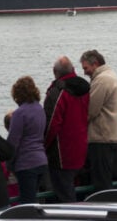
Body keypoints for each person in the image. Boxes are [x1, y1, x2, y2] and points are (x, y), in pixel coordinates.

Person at [43, 56, 90, 202]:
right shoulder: (85, 88)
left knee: (64, 194)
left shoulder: (58, 92)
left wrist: (43, 145)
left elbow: (52, 124)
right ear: (74, 69)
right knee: (75, 190)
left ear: (54, 72)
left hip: (61, 151)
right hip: (81, 145)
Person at [80, 49, 117, 193]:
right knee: (105, 178)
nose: (85, 72)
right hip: (111, 135)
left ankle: (105, 208)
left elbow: (91, 110)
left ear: (95, 64)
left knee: (101, 182)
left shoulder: (102, 80)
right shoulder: (110, 76)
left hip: (102, 137)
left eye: (86, 68)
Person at [7, 76, 48, 204]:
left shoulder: (20, 113)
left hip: (26, 163)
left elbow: (13, 141)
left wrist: (8, 163)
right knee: (35, 200)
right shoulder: (40, 109)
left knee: (27, 204)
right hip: (41, 161)